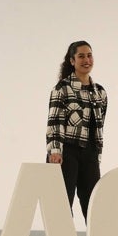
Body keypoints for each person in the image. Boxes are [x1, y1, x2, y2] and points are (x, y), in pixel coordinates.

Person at [46, 41, 107, 224]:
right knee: (63, 203)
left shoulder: (100, 93)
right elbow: (55, 121)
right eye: (81, 56)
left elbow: (100, 127)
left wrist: (97, 155)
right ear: (72, 61)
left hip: (90, 153)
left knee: (94, 204)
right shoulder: (62, 88)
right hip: (67, 152)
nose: (86, 60)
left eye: (89, 55)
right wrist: (55, 151)